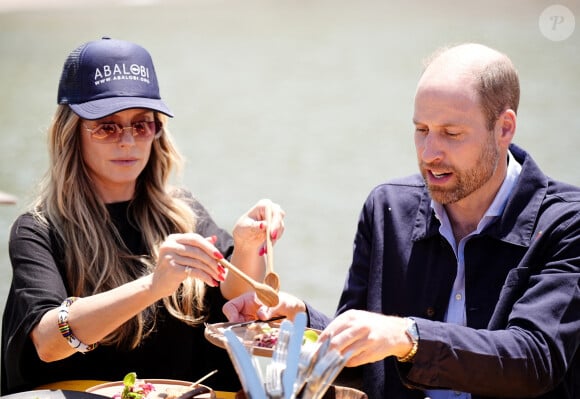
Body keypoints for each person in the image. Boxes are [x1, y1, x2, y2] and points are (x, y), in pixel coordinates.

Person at [222, 43, 580, 399]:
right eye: (421, 129)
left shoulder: (567, 222)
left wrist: (407, 337)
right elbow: (360, 362)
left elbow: (535, 358)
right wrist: (300, 318)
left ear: (504, 129)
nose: (429, 153)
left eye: (451, 134)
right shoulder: (386, 207)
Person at [1, 37, 285, 395]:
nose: (128, 141)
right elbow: (47, 341)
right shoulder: (39, 230)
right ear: (72, 135)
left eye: (142, 124)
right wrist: (154, 286)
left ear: (157, 132)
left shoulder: (185, 213)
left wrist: (247, 246)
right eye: (107, 126)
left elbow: (233, 300)